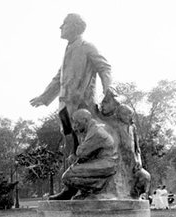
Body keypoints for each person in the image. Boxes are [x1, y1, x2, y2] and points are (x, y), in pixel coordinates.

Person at [30, 13, 113, 153]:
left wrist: (108, 88)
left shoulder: (87, 47)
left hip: (82, 104)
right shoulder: (68, 50)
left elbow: (104, 67)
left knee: (85, 142)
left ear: (75, 26)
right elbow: (58, 79)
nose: (61, 27)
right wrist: (43, 97)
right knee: (69, 144)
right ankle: (73, 171)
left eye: (65, 23)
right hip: (65, 105)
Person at [49, 109, 118, 200]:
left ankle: (98, 187)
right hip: (100, 161)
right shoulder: (91, 129)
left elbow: (81, 152)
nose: (75, 125)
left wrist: (78, 136)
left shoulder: (95, 131)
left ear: (85, 120)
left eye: (77, 123)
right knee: (72, 171)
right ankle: (70, 192)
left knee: (67, 177)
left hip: (107, 164)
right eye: (74, 122)